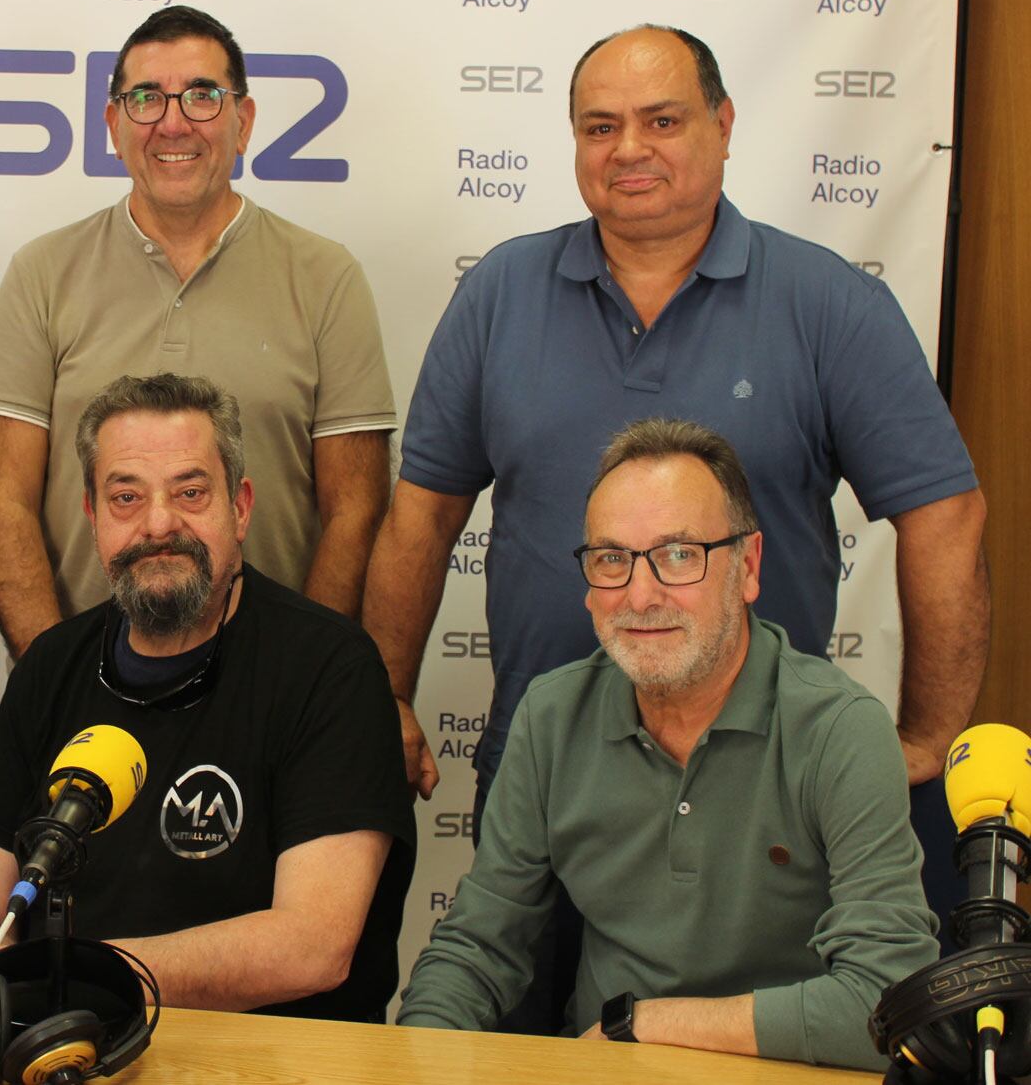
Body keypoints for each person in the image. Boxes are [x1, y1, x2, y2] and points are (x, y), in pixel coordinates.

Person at [364, 25, 987, 893]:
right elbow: (421, 517)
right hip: (544, 767)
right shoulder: (499, 293)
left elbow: (943, 512)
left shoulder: (829, 302)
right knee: (520, 1017)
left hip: (763, 771)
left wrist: (927, 734)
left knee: (743, 1027)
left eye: (662, 120)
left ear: (724, 124)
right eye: (600, 126)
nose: (629, 150)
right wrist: (385, 699)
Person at [396, 418, 938, 1070]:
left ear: (748, 566)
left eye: (680, 554)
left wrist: (647, 1022)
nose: (641, 594)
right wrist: (411, 1061)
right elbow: (479, 948)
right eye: (612, 558)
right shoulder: (551, 716)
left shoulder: (841, 731)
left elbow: (891, 1002)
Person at [0, 374, 414, 1021]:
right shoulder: (52, 664)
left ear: (240, 507)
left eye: (190, 492)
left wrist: (64, 974)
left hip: (268, 1058)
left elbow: (312, 946)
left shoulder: (331, 666)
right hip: (63, 1037)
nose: (159, 524)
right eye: (126, 496)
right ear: (93, 516)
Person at [0, 6, 394, 659]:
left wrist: (300, 682)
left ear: (243, 121)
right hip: (87, 681)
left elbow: (355, 511)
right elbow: (2, 500)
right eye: (146, 98)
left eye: (201, 96)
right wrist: (53, 678)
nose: (173, 121)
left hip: (271, 691)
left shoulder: (324, 276)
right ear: (112, 126)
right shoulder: (43, 274)